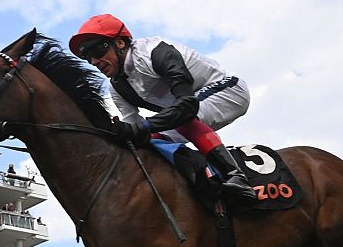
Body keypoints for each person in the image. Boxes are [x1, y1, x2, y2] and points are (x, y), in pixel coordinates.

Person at [69, 14, 257, 203]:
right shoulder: (116, 88)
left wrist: (141, 127)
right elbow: (137, 134)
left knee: (179, 117)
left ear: (120, 43)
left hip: (230, 90)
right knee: (150, 141)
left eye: (98, 51)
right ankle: (202, 178)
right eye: (88, 57)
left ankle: (236, 176)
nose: (94, 62)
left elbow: (186, 106)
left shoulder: (155, 52)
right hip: (191, 113)